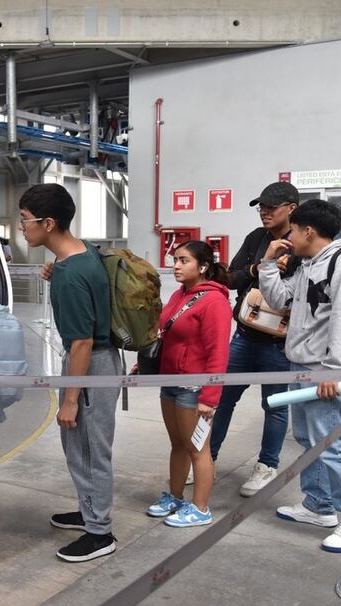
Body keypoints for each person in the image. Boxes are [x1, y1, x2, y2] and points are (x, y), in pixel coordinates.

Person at [258, 200, 341, 553]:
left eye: (292, 230)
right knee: (309, 439)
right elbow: (279, 298)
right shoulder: (310, 264)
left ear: (307, 230)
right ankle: (319, 505)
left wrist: (336, 371)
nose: (289, 236)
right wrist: (267, 263)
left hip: (325, 369)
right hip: (302, 364)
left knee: (332, 444)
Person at [22, 183, 122, 563]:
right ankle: (89, 510)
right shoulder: (82, 255)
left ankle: (100, 533)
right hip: (97, 361)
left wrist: (70, 399)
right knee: (79, 446)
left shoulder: (70, 272)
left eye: (25, 220)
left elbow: (80, 342)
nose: (22, 227)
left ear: (48, 223)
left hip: (90, 363)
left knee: (89, 449)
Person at [208, 182, 297, 498]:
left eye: (272, 206)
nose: (265, 211)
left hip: (281, 342)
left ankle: (267, 465)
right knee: (221, 399)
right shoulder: (256, 238)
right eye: (262, 206)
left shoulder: (301, 242)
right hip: (245, 334)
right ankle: (206, 458)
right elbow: (230, 278)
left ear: (292, 208)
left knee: (274, 405)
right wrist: (259, 267)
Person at [145, 241, 232, 528]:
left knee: (197, 448)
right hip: (171, 381)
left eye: (184, 260)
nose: (176, 265)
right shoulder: (179, 295)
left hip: (194, 387)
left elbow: (218, 352)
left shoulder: (214, 301)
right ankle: (175, 497)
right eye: (175, 259)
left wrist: (211, 395)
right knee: (178, 444)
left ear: (203, 266)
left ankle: (201, 508)